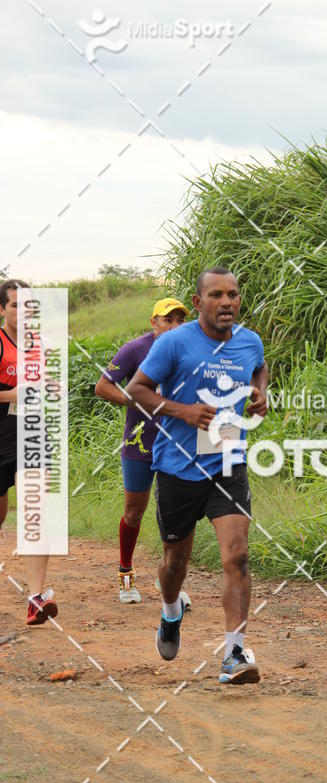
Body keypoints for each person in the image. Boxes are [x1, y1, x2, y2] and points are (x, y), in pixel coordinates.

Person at [125, 266, 268, 684]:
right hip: (177, 466)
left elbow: (258, 367)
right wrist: (182, 411)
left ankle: (234, 654)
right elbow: (137, 389)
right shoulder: (173, 343)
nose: (227, 302)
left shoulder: (249, 341)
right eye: (217, 295)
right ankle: (171, 611)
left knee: (237, 556)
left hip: (227, 460)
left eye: (234, 295)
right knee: (175, 564)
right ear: (200, 300)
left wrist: (261, 392)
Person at [95, 298, 193, 608]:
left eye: (180, 320)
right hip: (140, 443)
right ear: (154, 322)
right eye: (168, 320)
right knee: (134, 512)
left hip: (176, 444)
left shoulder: (190, 351)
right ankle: (125, 574)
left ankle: (169, 580)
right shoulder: (135, 349)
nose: (174, 326)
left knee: (175, 513)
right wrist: (132, 400)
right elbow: (102, 386)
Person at [0, 278, 57, 626]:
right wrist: (11, 395)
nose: (24, 311)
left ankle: (35, 597)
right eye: (17, 305)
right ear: (2, 309)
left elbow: (43, 386)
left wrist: (53, 388)